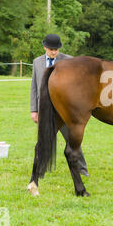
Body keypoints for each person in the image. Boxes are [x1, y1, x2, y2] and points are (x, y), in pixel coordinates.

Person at [30, 34, 89, 176]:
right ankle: (40, 170)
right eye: (51, 49)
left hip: (64, 109)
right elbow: (34, 87)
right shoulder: (37, 62)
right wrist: (34, 110)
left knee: (72, 139)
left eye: (56, 49)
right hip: (44, 108)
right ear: (45, 47)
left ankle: (82, 169)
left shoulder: (68, 60)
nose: (54, 52)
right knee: (43, 141)